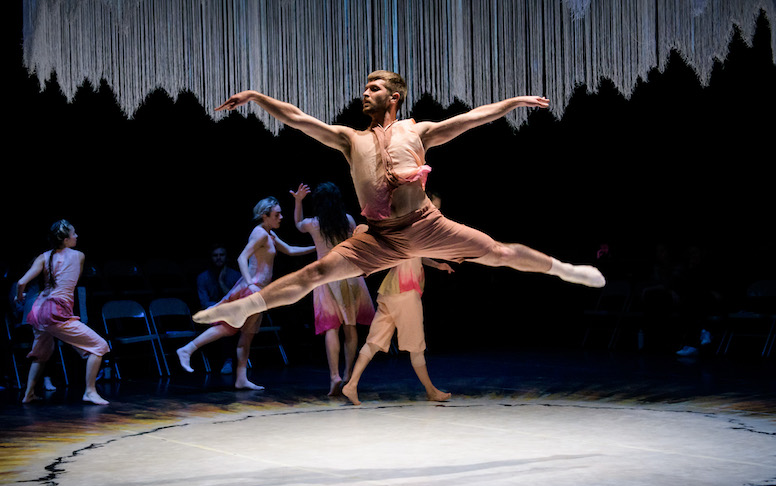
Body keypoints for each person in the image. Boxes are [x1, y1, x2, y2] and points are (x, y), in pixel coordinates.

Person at [196, 70, 605, 335]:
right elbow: (299, 119)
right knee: (317, 272)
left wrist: (514, 103)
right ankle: (243, 308)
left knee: (496, 252)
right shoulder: (349, 138)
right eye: (365, 87)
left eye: (373, 88)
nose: (365, 93)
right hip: (379, 237)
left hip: (426, 224)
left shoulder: (417, 131)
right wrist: (256, 97)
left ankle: (565, 269)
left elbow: (472, 119)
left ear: (394, 97)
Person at [177, 197, 315, 389]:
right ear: (264, 216)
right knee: (229, 327)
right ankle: (187, 349)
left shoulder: (270, 234)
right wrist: (250, 284)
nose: (281, 217)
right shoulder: (259, 233)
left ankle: (241, 379)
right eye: (277, 214)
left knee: (247, 334)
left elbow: (290, 250)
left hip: (260, 292)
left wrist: (319, 249)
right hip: (251, 290)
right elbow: (242, 258)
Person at [343, 192, 452, 405]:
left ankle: (351, 384)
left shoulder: (411, 227)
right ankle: (431, 391)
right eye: (434, 207)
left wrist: (438, 265)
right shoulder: (409, 227)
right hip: (405, 293)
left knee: (374, 342)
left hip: (390, 292)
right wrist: (362, 230)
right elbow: (371, 232)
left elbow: (416, 255)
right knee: (417, 345)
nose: (436, 212)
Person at [291, 182, 376, 395]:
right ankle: (348, 374)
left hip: (326, 279)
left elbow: (298, 224)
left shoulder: (313, 223)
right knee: (350, 326)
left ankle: (334, 376)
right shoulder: (347, 220)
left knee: (331, 327)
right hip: (350, 276)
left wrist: (298, 201)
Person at [15, 220, 109, 405]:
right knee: (99, 346)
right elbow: (73, 280)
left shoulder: (43, 256)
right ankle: (89, 391)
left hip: (39, 310)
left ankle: (28, 394)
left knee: (41, 353)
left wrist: (19, 297)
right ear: (65, 239)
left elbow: (21, 283)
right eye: (74, 234)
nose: (77, 236)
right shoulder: (78, 255)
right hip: (55, 312)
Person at [195, 244, 241, 373]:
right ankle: (228, 360)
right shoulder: (203, 277)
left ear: (226, 257)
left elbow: (236, 300)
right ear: (211, 258)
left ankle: (233, 360)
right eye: (215, 255)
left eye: (222, 255)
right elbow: (204, 303)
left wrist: (221, 283)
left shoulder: (235, 276)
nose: (219, 258)